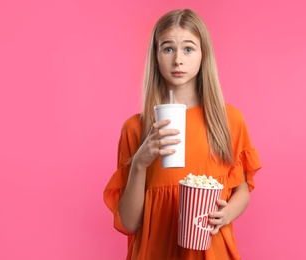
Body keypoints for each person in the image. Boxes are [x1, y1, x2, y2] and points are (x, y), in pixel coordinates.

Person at [104, 9, 261, 259]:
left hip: (212, 250)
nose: (178, 59)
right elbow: (129, 223)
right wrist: (139, 163)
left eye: (188, 49)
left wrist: (226, 214)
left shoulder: (228, 120)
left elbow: (242, 190)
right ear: (155, 56)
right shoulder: (135, 129)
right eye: (168, 48)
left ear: (203, 55)